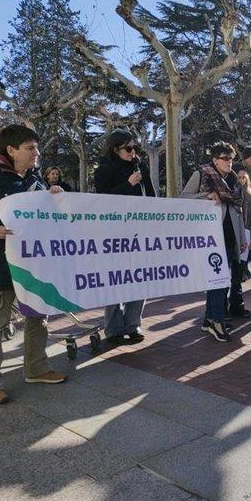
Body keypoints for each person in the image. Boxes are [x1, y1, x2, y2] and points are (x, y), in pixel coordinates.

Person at [0, 125, 67, 405]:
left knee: (38, 317)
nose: (36, 153)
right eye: (30, 148)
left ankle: (36, 368)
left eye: (36, 147)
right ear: (11, 150)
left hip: (35, 263)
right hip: (0, 263)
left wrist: (55, 196)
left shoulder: (36, 179)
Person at [94, 129, 155, 346]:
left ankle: (133, 323)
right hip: (114, 233)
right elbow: (102, 201)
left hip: (140, 231)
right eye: (128, 148)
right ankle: (113, 328)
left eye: (134, 148)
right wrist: (128, 184)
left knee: (139, 277)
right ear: (115, 149)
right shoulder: (103, 170)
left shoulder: (140, 166)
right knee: (115, 279)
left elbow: (151, 194)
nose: (132, 152)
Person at [181, 141, 246, 342]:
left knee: (218, 280)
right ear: (215, 159)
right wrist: (207, 196)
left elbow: (238, 210)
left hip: (229, 237)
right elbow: (183, 198)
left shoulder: (234, 180)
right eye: (225, 158)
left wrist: (241, 238)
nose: (229, 162)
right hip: (209, 238)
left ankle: (209, 319)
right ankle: (217, 320)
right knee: (219, 280)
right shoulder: (202, 174)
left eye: (231, 158)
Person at [235, 164, 251, 284]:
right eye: (239, 177)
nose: (242, 180)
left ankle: (243, 270)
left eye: (244, 177)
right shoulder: (232, 192)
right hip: (235, 230)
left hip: (247, 230)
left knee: (246, 253)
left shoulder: (250, 195)